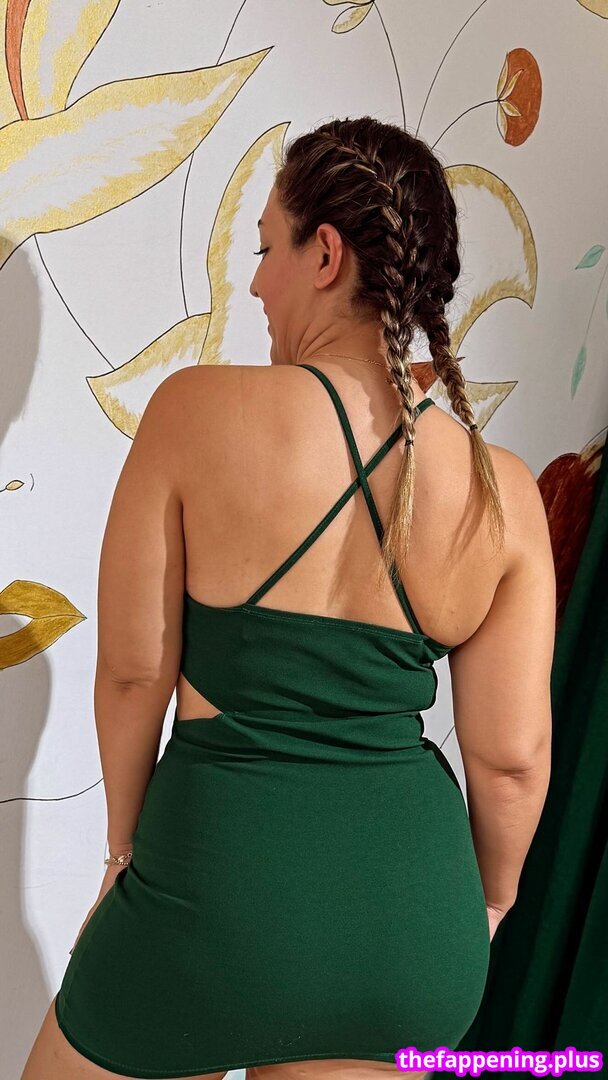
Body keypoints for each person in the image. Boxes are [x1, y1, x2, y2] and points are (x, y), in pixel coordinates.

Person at [22, 116, 555, 1080]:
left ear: (326, 254)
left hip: (213, 905)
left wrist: (123, 854)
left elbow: (135, 672)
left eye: (266, 249)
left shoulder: (193, 413)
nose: (258, 284)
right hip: (415, 936)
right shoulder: (503, 489)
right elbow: (511, 763)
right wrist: (484, 907)